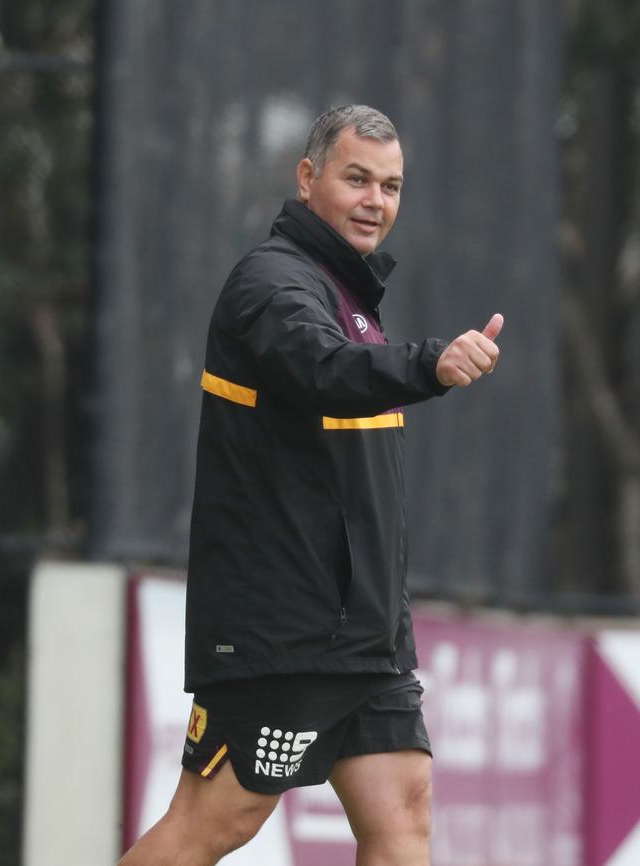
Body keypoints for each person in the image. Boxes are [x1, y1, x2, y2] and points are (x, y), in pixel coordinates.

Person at [119, 104, 503, 866]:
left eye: (390, 186)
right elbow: (319, 371)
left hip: (366, 634)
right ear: (307, 178)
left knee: (402, 813)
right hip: (286, 628)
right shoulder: (272, 283)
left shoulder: (347, 297)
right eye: (356, 178)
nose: (375, 201)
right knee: (214, 824)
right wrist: (429, 364)